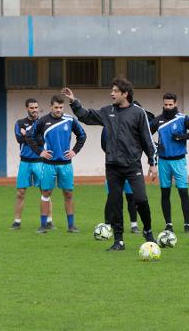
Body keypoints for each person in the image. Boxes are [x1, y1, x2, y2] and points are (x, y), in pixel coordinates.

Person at [63, 78, 158, 250]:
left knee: (141, 199)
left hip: (133, 166)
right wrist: (73, 101)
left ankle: (148, 231)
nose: (111, 93)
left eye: (115, 91)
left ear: (125, 94)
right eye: (111, 90)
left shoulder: (138, 113)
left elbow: (147, 140)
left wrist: (153, 162)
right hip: (113, 166)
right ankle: (119, 240)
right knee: (115, 203)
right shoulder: (107, 112)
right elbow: (86, 116)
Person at [26, 95, 86, 234]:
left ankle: (71, 226)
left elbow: (82, 135)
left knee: (68, 194)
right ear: (50, 106)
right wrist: (40, 152)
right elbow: (29, 136)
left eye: (61, 107)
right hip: (48, 164)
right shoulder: (43, 121)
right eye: (56, 107)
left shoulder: (70, 120)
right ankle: (43, 225)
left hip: (66, 164)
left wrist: (74, 151)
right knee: (46, 193)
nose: (58, 110)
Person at [150, 93, 189, 233]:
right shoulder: (157, 121)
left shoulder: (183, 118)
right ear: (163, 104)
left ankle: (187, 224)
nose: (168, 107)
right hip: (163, 162)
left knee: (183, 193)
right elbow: (145, 136)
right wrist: (155, 146)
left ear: (175, 104)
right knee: (165, 194)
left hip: (179, 161)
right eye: (165, 105)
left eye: (170, 105)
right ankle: (168, 224)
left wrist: (183, 137)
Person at [11, 98, 53, 230]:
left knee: (45, 191)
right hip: (25, 162)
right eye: (32, 108)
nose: (34, 110)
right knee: (20, 192)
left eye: (36, 107)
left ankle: (49, 221)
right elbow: (19, 139)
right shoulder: (20, 123)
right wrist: (31, 137)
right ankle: (17, 222)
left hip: (40, 162)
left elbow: (41, 141)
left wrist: (27, 134)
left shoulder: (43, 123)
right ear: (27, 108)